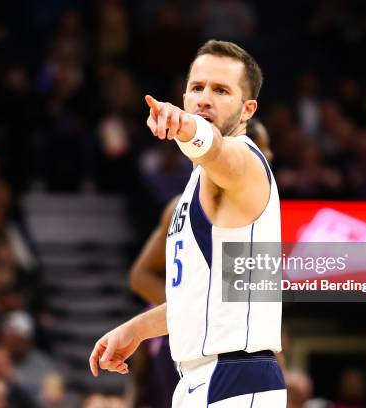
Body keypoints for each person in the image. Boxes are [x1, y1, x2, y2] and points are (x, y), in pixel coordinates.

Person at [90, 40, 285, 407]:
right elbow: (201, 299)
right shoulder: (195, 187)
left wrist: (186, 127)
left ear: (247, 110)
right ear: (183, 95)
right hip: (204, 377)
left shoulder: (245, 161)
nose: (205, 98)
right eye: (197, 88)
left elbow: (214, 147)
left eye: (221, 90)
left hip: (235, 376)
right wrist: (135, 329)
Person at [128, 118, 274, 408]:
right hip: (199, 343)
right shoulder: (222, 205)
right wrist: (185, 312)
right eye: (263, 148)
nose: (268, 157)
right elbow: (140, 276)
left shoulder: (189, 202)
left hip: (196, 340)